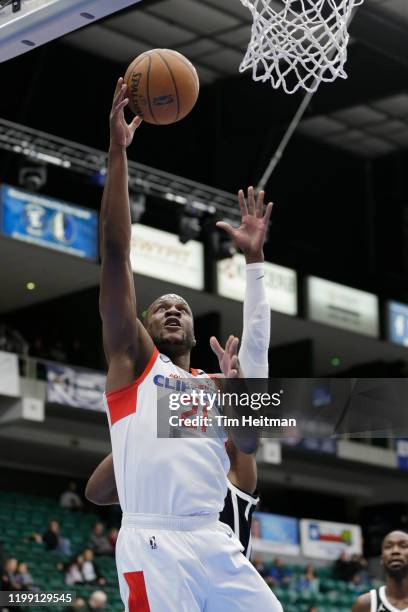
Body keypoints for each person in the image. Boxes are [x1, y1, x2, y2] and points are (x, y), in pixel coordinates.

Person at [97, 77, 281, 612]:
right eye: (161, 307)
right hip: (153, 542)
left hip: (214, 541)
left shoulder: (213, 385)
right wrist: (117, 153)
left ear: (195, 332)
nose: (173, 309)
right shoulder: (133, 362)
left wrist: (254, 264)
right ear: (145, 324)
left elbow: (248, 446)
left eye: (183, 308)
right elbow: (114, 253)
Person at [352, 530, 408, 611]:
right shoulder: (365, 604)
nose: (395, 551)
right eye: (388, 547)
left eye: (403, 545)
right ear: (381, 559)